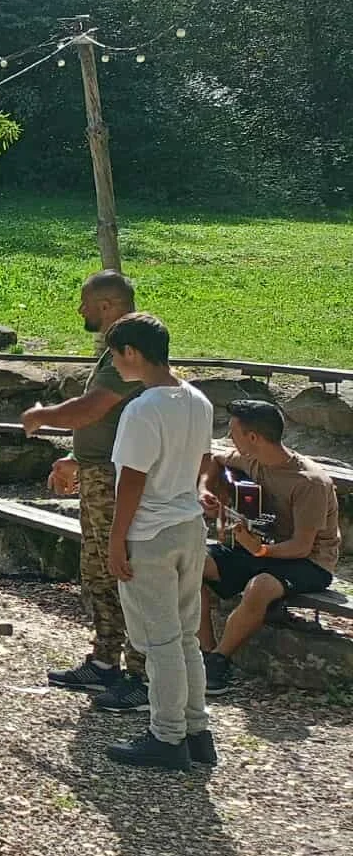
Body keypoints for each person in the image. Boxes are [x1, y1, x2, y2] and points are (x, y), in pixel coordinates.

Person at [19, 270, 150, 708]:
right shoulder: (116, 351)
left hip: (118, 481)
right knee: (98, 571)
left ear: (108, 305)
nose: (80, 310)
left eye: (86, 303)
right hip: (99, 474)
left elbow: (92, 410)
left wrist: (42, 415)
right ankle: (104, 662)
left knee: (121, 570)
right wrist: (78, 459)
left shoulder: (130, 351)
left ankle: (140, 674)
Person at [101, 313, 215, 771]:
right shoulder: (197, 399)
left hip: (149, 532)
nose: (114, 363)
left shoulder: (143, 408)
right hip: (189, 526)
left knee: (162, 641)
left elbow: (132, 480)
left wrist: (116, 539)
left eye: (115, 354)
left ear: (132, 352)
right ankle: (196, 729)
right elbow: (204, 457)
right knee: (185, 636)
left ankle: (166, 736)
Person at [197, 399, 342, 695]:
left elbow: (302, 547)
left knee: (260, 586)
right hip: (256, 548)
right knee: (189, 562)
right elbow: (214, 460)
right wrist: (206, 491)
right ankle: (203, 649)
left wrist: (261, 551)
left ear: (253, 437)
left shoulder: (309, 482)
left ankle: (219, 661)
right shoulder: (250, 458)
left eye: (233, 431)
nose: (229, 437)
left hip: (307, 561)